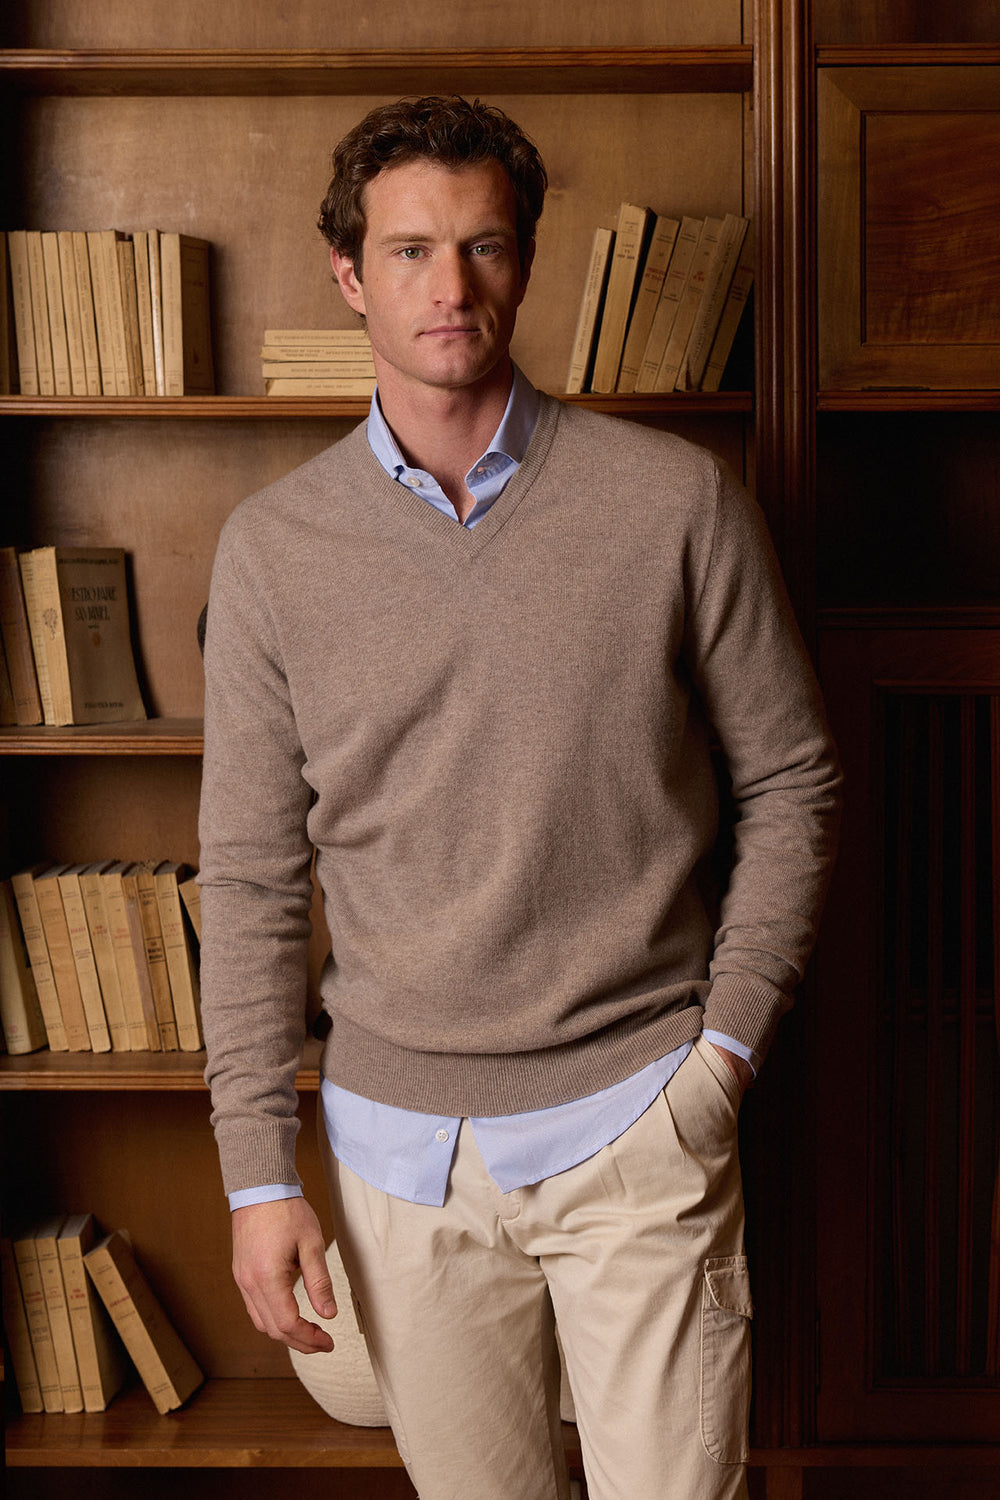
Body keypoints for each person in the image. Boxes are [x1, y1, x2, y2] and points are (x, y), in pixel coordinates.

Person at [198, 95, 841, 1500]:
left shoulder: (674, 502)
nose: (451, 285)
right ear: (348, 276)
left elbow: (793, 778)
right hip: (397, 1154)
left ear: (527, 262)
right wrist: (258, 1175)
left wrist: (722, 1058)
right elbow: (248, 879)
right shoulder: (272, 551)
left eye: (483, 246)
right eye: (410, 251)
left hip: (640, 1117)